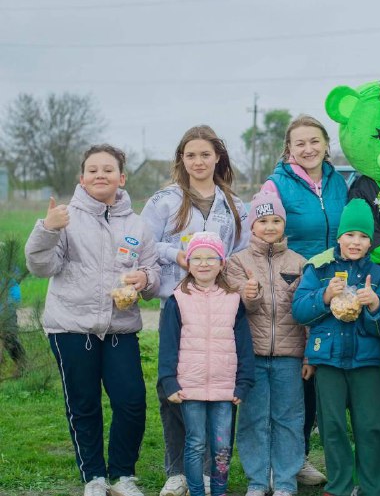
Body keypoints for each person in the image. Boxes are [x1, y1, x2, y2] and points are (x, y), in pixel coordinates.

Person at [25, 145, 160, 496]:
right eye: (93, 169)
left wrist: (145, 279)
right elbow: (41, 266)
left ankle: (123, 475)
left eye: (108, 169)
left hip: (120, 328)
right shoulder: (65, 218)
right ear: (82, 178)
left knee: (130, 401)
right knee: (83, 404)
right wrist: (47, 229)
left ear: (122, 177)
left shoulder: (137, 224)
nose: (101, 175)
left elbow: (152, 271)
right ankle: (95, 477)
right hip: (72, 327)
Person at [141, 125, 248, 496]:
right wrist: (178, 255)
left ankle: (206, 472)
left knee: (215, 383)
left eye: (205, 154)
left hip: (219, 304)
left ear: (217, 156)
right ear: (181, 160)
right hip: (177, 299)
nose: (198, 161)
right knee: (175, 384)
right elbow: (144, 244)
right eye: (191, 155)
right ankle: (176, 470)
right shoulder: (163, 201)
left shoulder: (234, 204)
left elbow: (240, 251)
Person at [261, 114, 348, 485]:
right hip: (293, 289)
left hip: (334, 291)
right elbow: (262, 234)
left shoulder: (338, 181)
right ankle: (273, 461)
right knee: (290, 377)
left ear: (326, 144)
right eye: (300, 143)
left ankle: (297, 457)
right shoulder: (275, 185)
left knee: (316, 375)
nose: (308, 149)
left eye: (314, 141)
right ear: (289, 148)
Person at [291, 198, 380, 496]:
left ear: (370, 241)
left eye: (363, 237)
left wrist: (375, 305)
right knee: (332, 426)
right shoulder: (319, 268)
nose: (356, 242)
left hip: (366, 362)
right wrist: (325, 295)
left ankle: (373, 485)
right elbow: (299, 311)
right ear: (339, 236)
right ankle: (339, 485)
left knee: (372, 426)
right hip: (329, 361)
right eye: (350, 235)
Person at [158, 232, 255, 496]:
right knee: (196, 443)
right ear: (188, 263)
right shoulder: (177, 300)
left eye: (210, 257)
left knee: (222, 446)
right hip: (190, 386)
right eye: (196, 258)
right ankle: (198, 492)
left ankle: (220, 491)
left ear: (222, 263)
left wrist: (243, 382)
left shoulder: (233, 300)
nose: (203, 263)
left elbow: (244, 345)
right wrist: (169, 381)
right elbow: (168, 345)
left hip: (225, 387)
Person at [225, 192, 307, 496]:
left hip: (290, 356)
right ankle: (257, 481)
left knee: (288, 418)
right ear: (252, 226)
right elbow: (236, 309)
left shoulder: (299, 263)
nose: (269, 226)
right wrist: (249, 294)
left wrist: (308, 357)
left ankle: (285, 481)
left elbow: (307, 313)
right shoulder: (237, 262)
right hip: (252, 356)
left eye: (275, 220)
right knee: (253, 419)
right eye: (262, 220)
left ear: (283, 224)